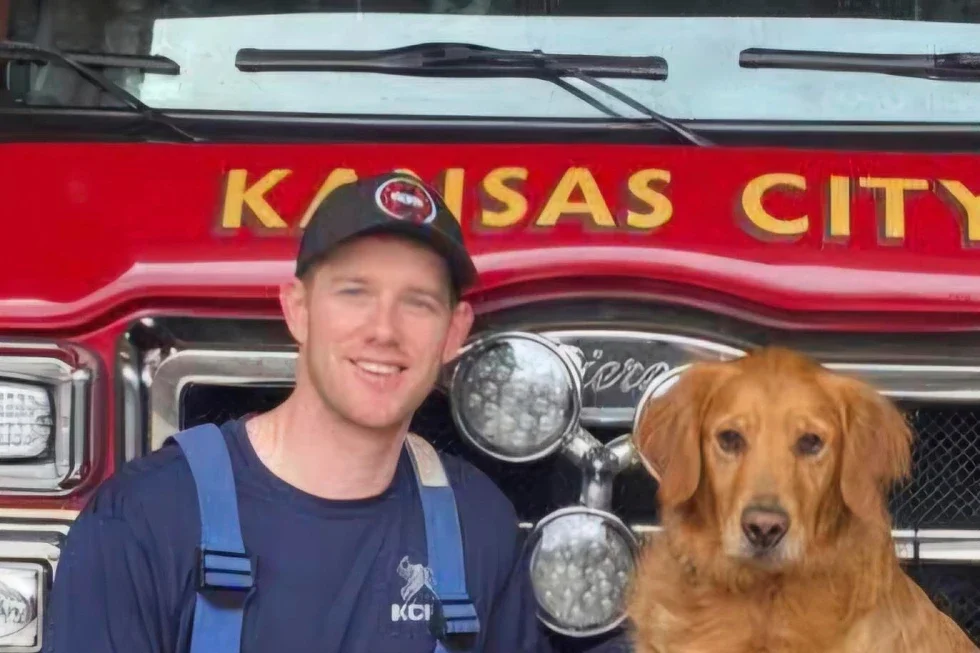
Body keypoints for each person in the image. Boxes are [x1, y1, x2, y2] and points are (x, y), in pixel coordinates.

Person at [42, 172, 631, 653]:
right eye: (355, 292)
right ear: (297, 309)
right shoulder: (145, 520)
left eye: (418, 303)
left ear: (454, 332)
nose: (384, 330)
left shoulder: (478, 523)